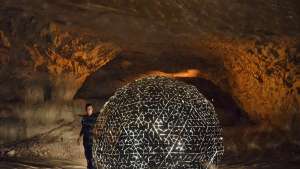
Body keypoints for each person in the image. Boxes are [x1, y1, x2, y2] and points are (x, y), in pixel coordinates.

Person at [77, 103, 99, 169]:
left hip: (92, 140)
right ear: (86, 110)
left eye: (90, 109)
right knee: (87, 157)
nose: (89, 110)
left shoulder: (95, 118)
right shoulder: (84, 119)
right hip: (86, 140)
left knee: (92, 157)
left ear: (92, 110)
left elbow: (95, 125)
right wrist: (79, 137)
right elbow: (83, 128)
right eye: (88, 109)